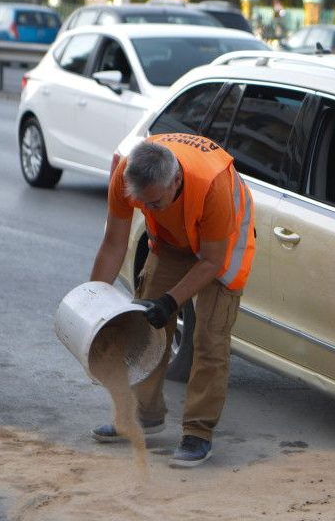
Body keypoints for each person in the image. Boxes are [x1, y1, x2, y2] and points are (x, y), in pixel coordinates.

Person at [88, 134, 254, 467]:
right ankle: (145, 415)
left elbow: (211, 261)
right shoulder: (126, 175)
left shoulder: (213, 187)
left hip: (223, 244)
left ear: (176, 180)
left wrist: (169, 302)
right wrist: (92, 301)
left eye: (154, 203)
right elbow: (113, 244)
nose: (148, 209)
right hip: (172, 240)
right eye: (142, 203)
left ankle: (198, 432)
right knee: (144, 327)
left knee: (209, 338)